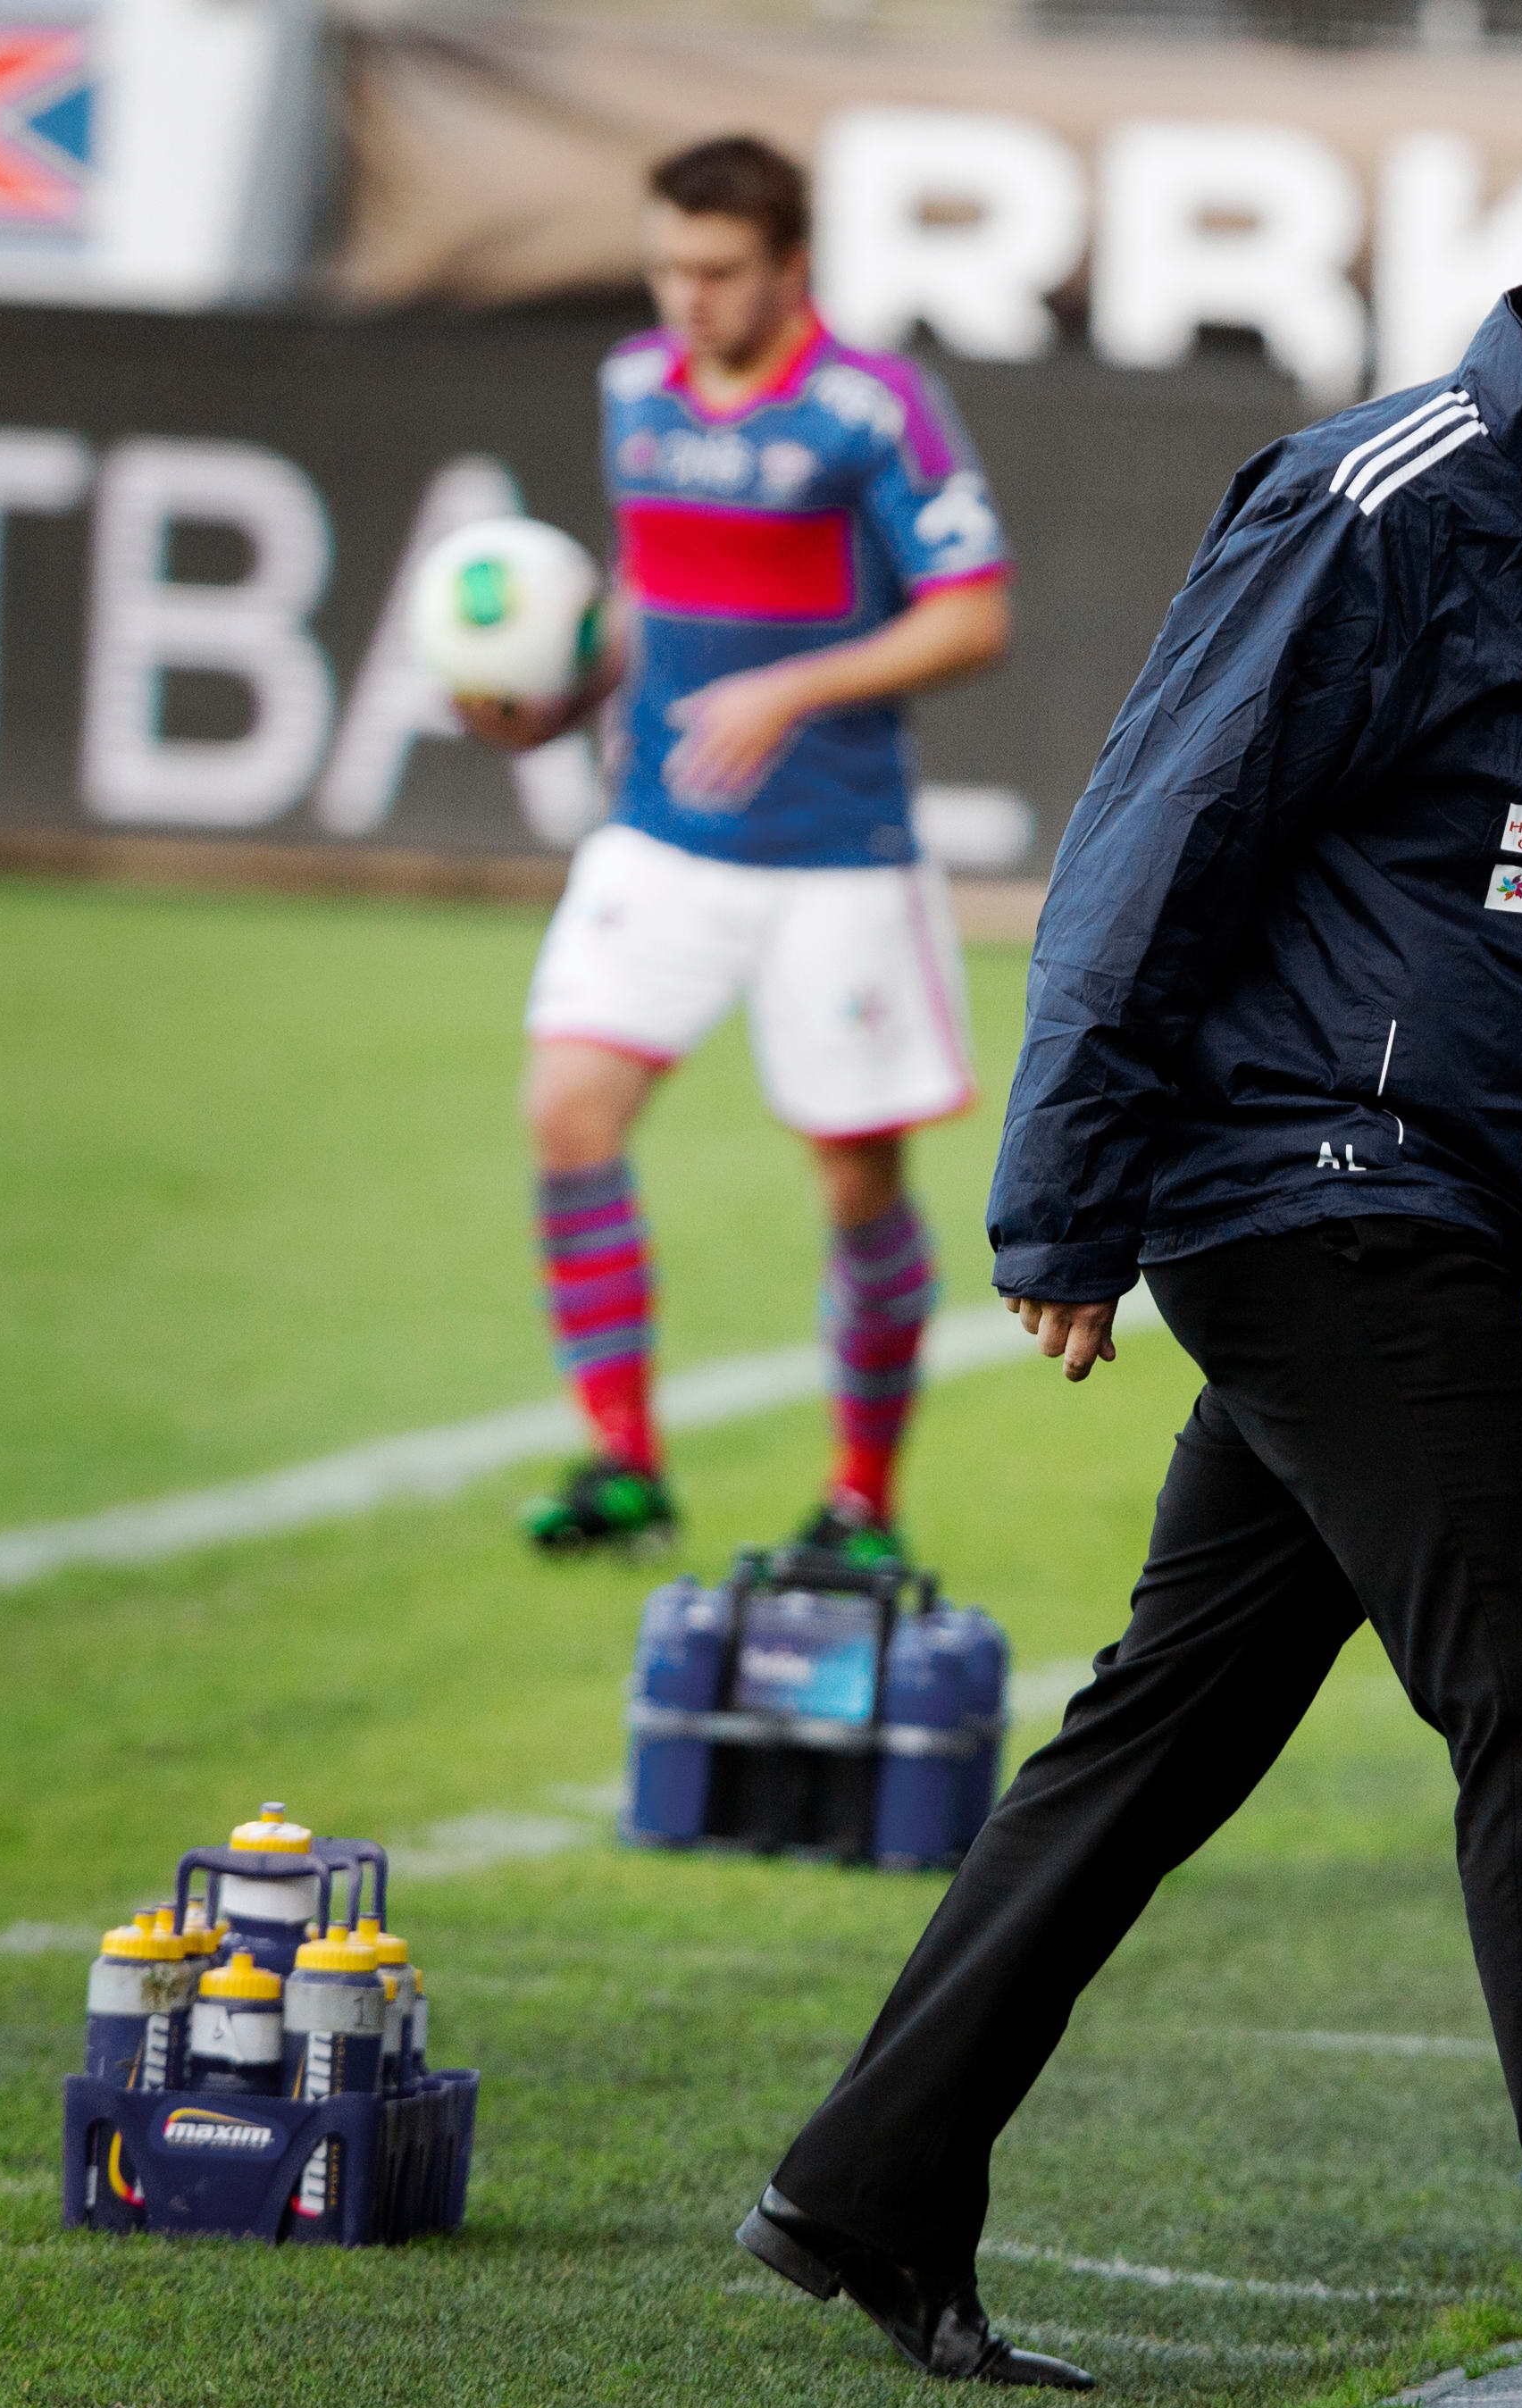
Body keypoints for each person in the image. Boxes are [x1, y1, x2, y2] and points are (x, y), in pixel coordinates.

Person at [732, 146, 1522, 2408]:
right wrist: (1066, 1199)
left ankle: (866, 2174)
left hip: (1421, 1191)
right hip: (1318, 1193)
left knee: (1166, 1726)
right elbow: (1153, 833)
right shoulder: (1376, 504)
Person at [465, 134, 1011, 1567]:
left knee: (855, 1187)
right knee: (566, 1111)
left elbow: (972, 614)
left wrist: (790, 689)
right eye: (667, 268)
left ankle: (862, 1503)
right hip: (659, 837)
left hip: (836, 856)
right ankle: (623, 1464)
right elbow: (649, 582)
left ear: (791, 268)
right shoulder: (634, 388)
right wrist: (563, 694)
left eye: (716, 271)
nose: (686, 297)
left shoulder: (871, 407)